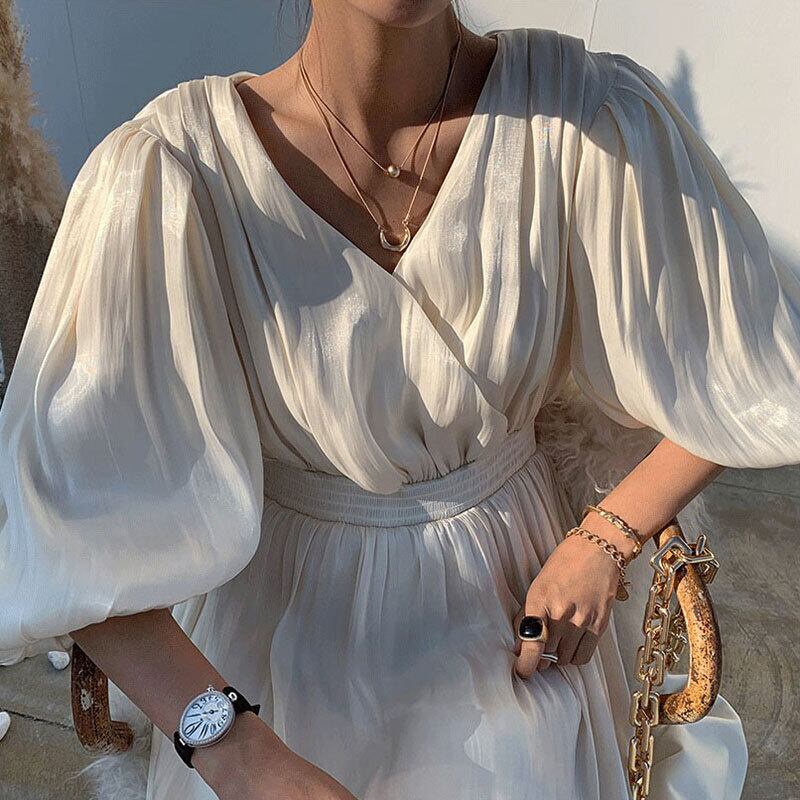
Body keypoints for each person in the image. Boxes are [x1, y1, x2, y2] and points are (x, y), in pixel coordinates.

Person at [1, 3, 798, 799]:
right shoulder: (173, 171)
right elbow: (65, 540)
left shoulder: (582, 116)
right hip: (278, 647)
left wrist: (607, 535)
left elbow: (753, 373)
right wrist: (236, 750)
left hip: (521, 619)